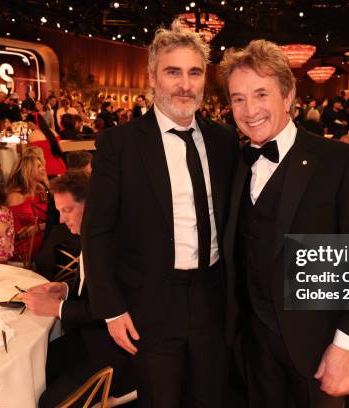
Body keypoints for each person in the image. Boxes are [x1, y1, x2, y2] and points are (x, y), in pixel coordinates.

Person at [81, 20, 238, 408]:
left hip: (214, 298)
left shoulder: (224, 140)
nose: (185, 84)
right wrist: (111, 309)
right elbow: (97, 231)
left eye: (194, 72)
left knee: (212, 398)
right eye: (173, 72)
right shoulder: (119, 144)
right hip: (149, 302)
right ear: (153, 77)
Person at [218, 39, 349, 408]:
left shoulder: (339, 162)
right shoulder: (239, 163)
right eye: (238, 98)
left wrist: (347, 345)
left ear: (288, 96)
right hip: (254, 348)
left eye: (261, 94)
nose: (249, 109)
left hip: (316, 348)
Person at [20, 171, 133, 408]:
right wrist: (65, 290)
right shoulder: (91, 237)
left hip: (114, 353)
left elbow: (112, 310)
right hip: (87, 338)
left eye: (67, 210)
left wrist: (58, 308)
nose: (60, 220)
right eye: (59, 211)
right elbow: (93, 291)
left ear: (91, 205)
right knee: (29, 370)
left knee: (48, 402)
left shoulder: (115, 244)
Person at [6, 154, 49, 261]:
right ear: (27, 170)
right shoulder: (15, 196)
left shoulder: (40, 191)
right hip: (25, 248)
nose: (43, 168)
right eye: (39, 166)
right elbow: (16, 234)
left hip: (44, 240)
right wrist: (43, 226)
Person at [26, 112, 67, 177]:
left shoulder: (32, 136)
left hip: (43, 170)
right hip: (59, 166)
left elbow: (31, 156)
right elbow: (61, 149)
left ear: (31, 123)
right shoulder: (52, 132)